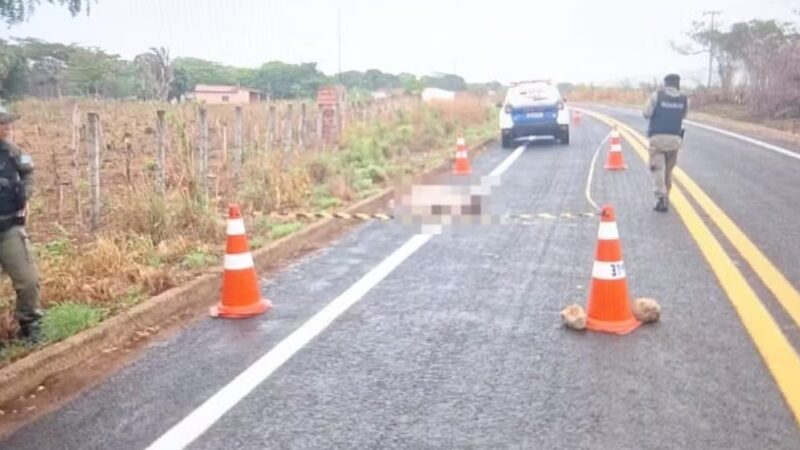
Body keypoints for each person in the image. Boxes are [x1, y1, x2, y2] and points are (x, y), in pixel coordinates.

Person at [0, 104, 43, 344]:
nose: (7, 127)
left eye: (7, 122)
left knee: (28, 280)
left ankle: (30, 324)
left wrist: (25, 196)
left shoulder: (11, 151)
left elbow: (29, 170)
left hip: (8, 228)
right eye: (3, 123)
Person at [643, 73, 689, 212]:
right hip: (675, 140)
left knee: (658, 168)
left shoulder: (657, 96)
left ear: (666, 84)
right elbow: (684, 115)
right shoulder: (684, 99)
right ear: (677, 84)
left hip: (657, 138)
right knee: (668, 170)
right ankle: (666, 194)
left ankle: (661, 198)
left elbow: (646, 113)